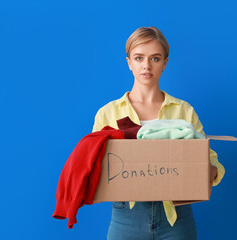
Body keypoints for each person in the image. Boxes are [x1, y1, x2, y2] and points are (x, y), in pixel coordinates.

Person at [92, 26, 225, 240]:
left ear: (165, 63)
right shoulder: (108, 113)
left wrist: (204, 171)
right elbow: (95, 165)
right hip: (127, 217)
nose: (146, 66)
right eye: (139, 58)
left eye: (155, 58)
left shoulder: (183, 111)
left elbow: (213, 163)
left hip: (175, 218)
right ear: (129, 63)